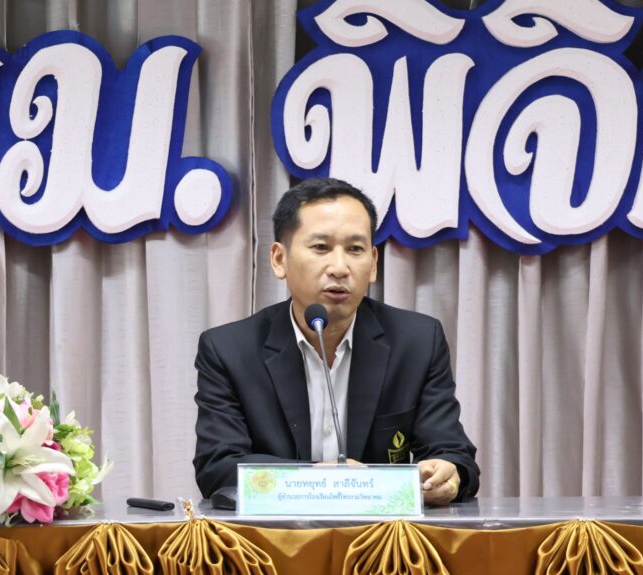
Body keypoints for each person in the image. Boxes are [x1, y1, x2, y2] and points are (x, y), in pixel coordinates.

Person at [193, 178, 479, 505]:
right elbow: (218, 467)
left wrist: (449, 473)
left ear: (373, 263)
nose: (340, 268)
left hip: (382, 534)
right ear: (279, 259)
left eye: (355, 250)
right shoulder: (229, 350)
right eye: (321, 247)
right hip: (273, 534)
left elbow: (452, 453)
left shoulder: (416, 342)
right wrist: (321, 479)